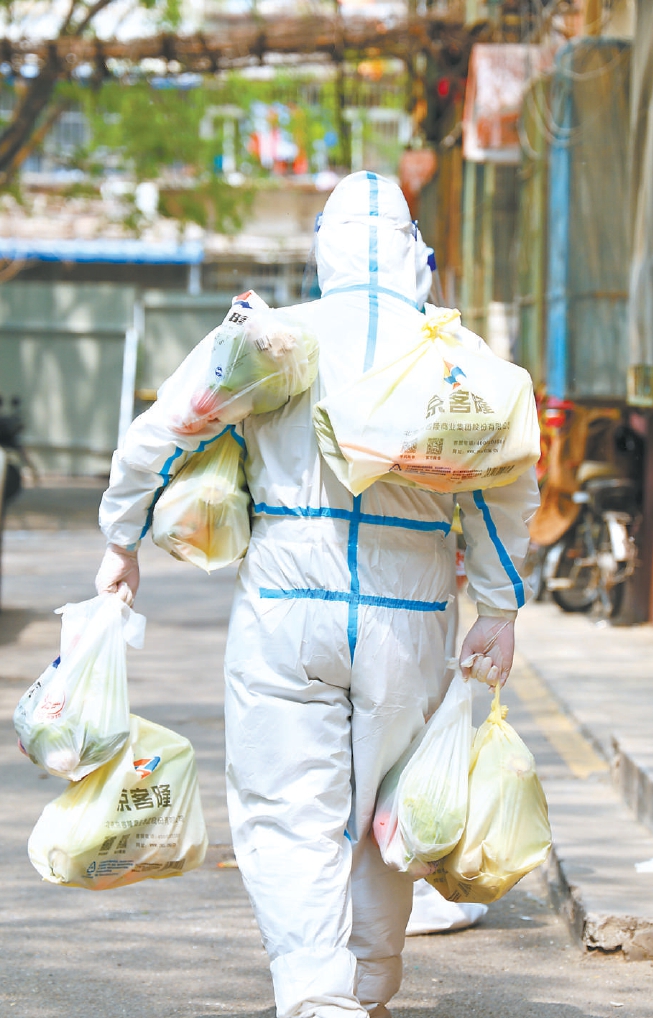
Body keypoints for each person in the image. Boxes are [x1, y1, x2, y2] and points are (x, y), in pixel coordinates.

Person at [95, 172, 538, 1017]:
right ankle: (368, 987)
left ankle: (317, 999)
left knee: (289, 811)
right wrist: (501, 606)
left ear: (322, 253)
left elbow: (168, 429)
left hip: (286, 611)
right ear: (418, 252)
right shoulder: (458, 358)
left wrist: (124, 538)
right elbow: (502, 485)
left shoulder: (275, 340)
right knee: (385, 816)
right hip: (411, 619)